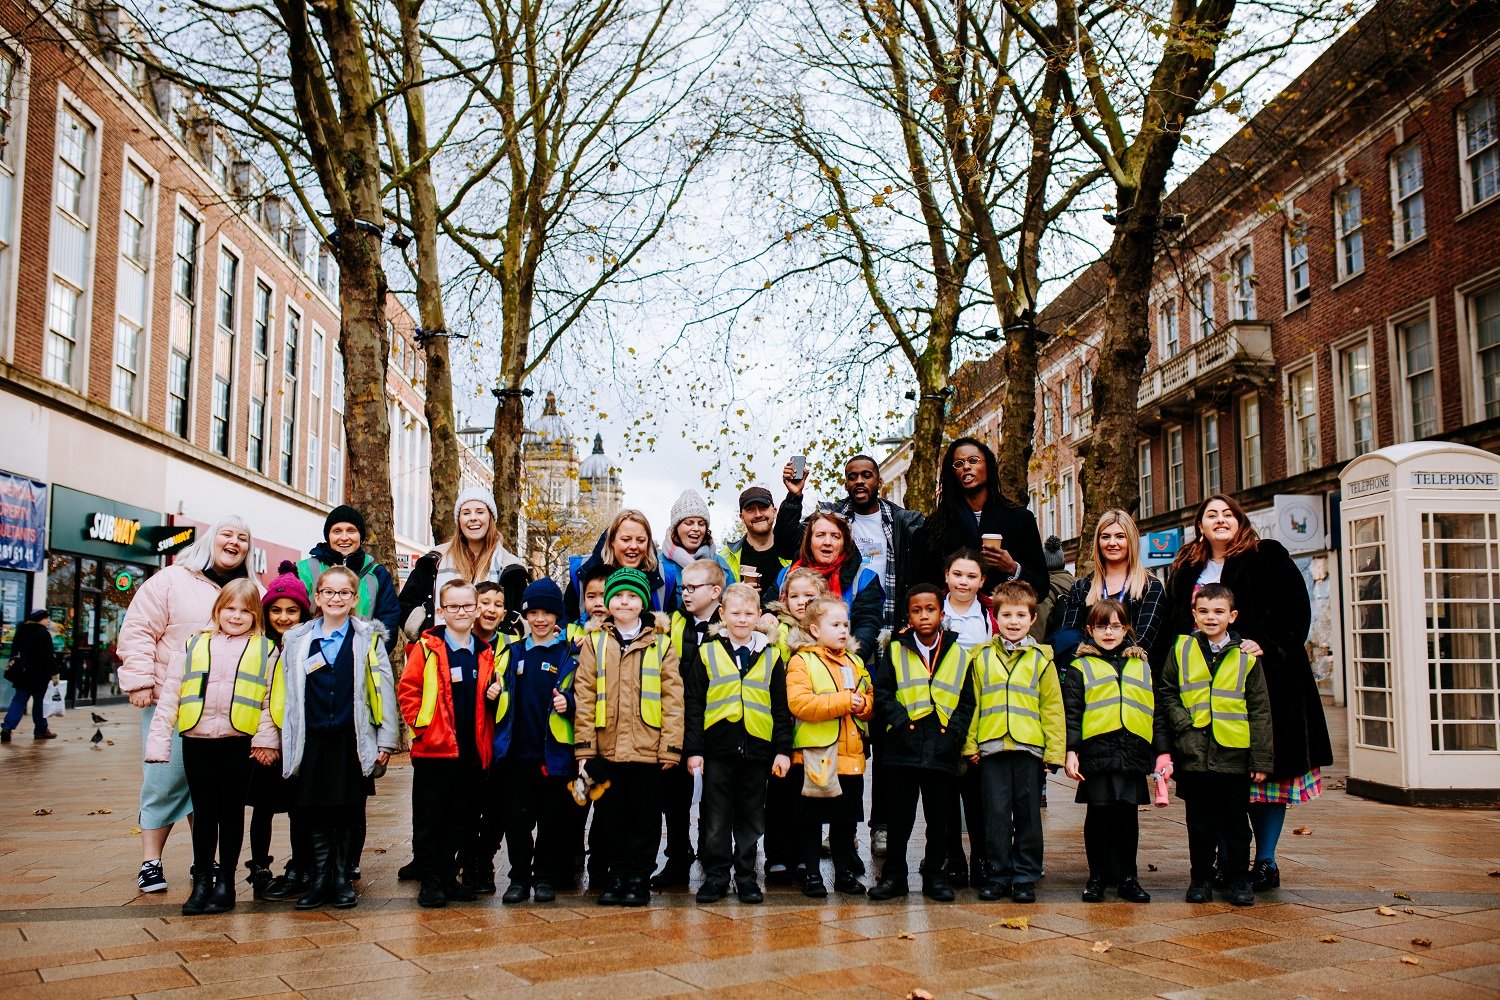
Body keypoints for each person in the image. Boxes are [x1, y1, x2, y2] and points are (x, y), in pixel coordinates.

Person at [1157, 494, 1331, 893]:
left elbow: (1295, 611)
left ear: (1240, 519)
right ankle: (1223, 861)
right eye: (1210, 515)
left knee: (1266, 777)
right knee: (1215, 780)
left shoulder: (1266, 554)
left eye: (1227, 513)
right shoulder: (1186, 567)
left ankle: (1265, 860)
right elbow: (1174, 624)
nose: (1219, 520)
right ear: (1199, 525)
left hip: (1268, 683)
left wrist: (1265, 643)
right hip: (1203, 687)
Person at [118, 515, 256, 895]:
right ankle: (151, 863)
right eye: (226, 534)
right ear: (211, 538)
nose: (234, 542)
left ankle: (204, 861)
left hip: (226, 712)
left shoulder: (249, 589)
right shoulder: (171, 580)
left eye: (242, 537)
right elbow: (139, 628)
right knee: (163, 781)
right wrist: (140, 680)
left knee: (208, 789)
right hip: (171, 700)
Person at [146, 579, 279, 915]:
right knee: (204, 813)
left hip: (239, 743)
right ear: (218, 610)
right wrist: (159, 743)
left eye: (245, 611)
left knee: (232, 814)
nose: (236, 616)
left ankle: (226, 885)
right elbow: (171, 695)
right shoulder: (193, 645)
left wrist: (266, 740)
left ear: (255, 616)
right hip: (197, 741)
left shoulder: (265, 650)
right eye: (229, 609)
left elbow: (268, 701)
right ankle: (203, 879)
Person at [274, 565, 399, 910]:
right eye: (328, 592)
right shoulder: (298, 639)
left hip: (350, 737)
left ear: (355, 599)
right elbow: (285, 693)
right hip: (311, 738)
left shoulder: (368, 638)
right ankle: (319, 879)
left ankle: (342, 877)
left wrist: (386, 740)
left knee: (347, 810)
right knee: (312, 809)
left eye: (344, 593)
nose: (335, 598)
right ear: (317, 597)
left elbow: (383, 689)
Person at [573, 567, 684, 907]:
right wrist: (585, 747)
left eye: (632, 596)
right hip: (607, 749)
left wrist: (670, 748)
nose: (625, 601)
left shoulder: (661, 644)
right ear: (607, 602)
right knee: (610, 818)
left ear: (643, 602)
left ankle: (638, 877)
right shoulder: (595, 643)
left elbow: (673, 699)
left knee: (646, 818)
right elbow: (585, 695)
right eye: (618, 596)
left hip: (647, 750)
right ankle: (615, 875)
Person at [1160, 583, 1274, 907]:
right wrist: (1183, 723)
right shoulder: (1181, 649)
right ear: (1194, 614)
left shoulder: (1247, 657)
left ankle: (1240, 878)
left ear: (1232, 616)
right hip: (1194, 753)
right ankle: (1201, 879)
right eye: (1204, 611)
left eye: (1219, 611)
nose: (1211, 618)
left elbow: (1260, 709)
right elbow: (1167, 690)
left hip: (1233, 755)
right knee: (1199, 824)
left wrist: (1261, 760)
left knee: (1237, 823)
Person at [684, 583, 793, 904]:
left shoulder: (771, 656)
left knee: (750, 817)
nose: (742, 619)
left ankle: (746, 876)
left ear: (759, 616)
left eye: (749, 613)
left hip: (758, 751)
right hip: (717, 751)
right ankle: (716, 876)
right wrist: (694, 751)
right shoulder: (708, 652)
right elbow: (694, 704)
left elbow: (780, 706)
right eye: (735, 613)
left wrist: (782, 750)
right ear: (722, 614)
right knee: (715, 818)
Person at [869, 583, 974, 902]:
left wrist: (953, 733)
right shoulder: (896, 650)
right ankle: (894, 876)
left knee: (939, 820)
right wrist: (901, 723)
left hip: (942, 747)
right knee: (900, 819)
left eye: (930, 610)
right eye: (917, 610)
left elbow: (967, 701)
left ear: (942, 614)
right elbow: (883, 692)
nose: (924, 616)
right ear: (909, 616)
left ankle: (935, 877)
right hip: (903, 747)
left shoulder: (958, 653)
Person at [963, 581, 1064, 904]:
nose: (1014, 621)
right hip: (991, 748)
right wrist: (969, 745)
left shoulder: (1041, 659)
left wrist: (1053, 751)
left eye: (1021, 615)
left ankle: (1025, 875)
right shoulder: (981, 657)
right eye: (1007, 615)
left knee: (1027, 817)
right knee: (995, 816)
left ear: (1032, 618)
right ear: (996, 617)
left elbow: (1052, 707)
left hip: (1028, 749)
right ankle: (998, 874)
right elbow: (973, 702)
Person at [1062, 600, 1169, 904]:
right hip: (1096, 752)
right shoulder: (1080, 666)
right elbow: (1071, 712)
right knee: (1097, 815)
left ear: (1126, 628)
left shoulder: (1142, 664)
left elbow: (1155, 710)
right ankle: (1096, 877)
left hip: (1132, 751)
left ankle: (1128, 877)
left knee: (1127, 816)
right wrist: (1071, 751)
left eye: (1115, 626)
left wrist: (1162, 752)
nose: (1108, 632)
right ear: (1090, 629)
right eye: (1101, 626)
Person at [400, 580, 498, 909]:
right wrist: (423, 729)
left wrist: (495, 695)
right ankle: (430, 881)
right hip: (435, 751)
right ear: (441, 611)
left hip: (470, 751)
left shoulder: (485, 652)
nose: (461, 612)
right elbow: (409, 691)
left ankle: (447, 876)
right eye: (453, 607)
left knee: (461, 818)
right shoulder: (428, 647)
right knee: (431, 819)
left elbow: (489, 698)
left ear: (477, 609)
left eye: (468, 606)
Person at [487, 578, 576, 905]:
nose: (540, 619)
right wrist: (492, 694)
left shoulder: (569, 654)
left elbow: (583, 695)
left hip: (553, 754)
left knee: (552, 821)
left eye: (547, 613)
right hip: (517, 754)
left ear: (557, 616)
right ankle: (519, 877)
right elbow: (494, 693)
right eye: (533, 612)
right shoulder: (512, 653)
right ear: (524, 614)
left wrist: (571, 702)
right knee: (517, 820)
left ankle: (545, 877)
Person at [786, 597, 874, 899]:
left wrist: (864, 706)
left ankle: (844, 872)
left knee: (845, 820)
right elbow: (800, 703)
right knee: (811, 819)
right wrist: (844, 702)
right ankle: (812, 873)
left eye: (845, 624)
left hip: (850, 755)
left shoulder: (855, 662)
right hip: (815, 755)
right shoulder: (802, 660)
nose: (842, 630)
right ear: (814, 629)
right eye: (834, 624)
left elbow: (868, 694)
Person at [775, 455, 924, 630]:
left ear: (879, 481)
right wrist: (794, 496)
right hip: (839, 626)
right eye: (852, 477)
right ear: (846, 486)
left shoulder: (903, 521)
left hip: (892, 623)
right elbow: (786, 546)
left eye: (866, 475)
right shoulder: (829, 517)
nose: (859, 481)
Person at [655, 559, 725, 889]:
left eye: (693, 587)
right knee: (675, 799)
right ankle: (677, 859)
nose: (685, 593)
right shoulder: (673, 624)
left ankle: (716, 863)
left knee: (715, 799)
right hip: (680, 724)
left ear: (715, 592)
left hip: (718, 725)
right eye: (683, 587)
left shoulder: (729, 624)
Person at [762, 567, 833, 882]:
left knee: (811, 793)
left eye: (810, 596)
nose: (802, 602)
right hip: (781, 724)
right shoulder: (774, 631)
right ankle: (777, 856)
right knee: (779, 792)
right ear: (783, 599)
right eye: (795, 596)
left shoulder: (827, 633)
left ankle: (807, 856)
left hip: (815, 726)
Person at [249, 564, 313, 901]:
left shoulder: (308, 645)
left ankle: (299, 867)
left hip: (299, 742)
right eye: (276, 610)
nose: (284, 617)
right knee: (262, 807)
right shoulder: (260, 647)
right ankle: (259, 866)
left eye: (292, 610)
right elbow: (257, 696)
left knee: (299, 808)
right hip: (268, 743)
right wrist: (265, 739)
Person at [921, 438, 1049, 599]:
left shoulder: (1020, 519)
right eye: (958, 464)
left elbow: (1042, 588)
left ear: (988, 465)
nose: (966, 466)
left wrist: (1012, 568)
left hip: (1003, 620)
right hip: (954, 620)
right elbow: (924, 586)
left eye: (973, 460)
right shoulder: (935, 525)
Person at [939, 549, 996, 889]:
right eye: (957, 574)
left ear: (982, 581)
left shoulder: (990, 615)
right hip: (943, 716)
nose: (964, 581)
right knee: (945, 797)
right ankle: (953, 861)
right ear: (947, 575)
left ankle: (982, 861)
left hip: (981, 715)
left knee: (979, 798)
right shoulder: (934, 610)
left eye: (971, 576)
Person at [400, 487, 530, 636]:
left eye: (480, 512)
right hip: (438, 652)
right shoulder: (435, 561)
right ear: (459, 520)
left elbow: (523, 613)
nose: (473, 517)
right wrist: (426, 629)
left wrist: (507, 639)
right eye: (466, 513)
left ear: (490, 518)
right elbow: (406, 603)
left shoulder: (511, 568)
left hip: (491, 655)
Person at [1054, 511, 1164, 665]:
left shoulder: (1150, 587)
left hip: (1133, 677)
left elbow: (1143, 641)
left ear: (1131, 541)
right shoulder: (1081, 587)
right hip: (1090, 678)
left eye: (1120, 536)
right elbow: (1068, 638)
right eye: (1105, 537)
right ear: (1098, 542)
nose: (1112, 543)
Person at [775, 511, 883, 661]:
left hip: (847, 665)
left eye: (835, 536)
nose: (827, 542)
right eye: (820, 535)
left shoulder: (864, 578)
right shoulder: (786, 575)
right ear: (809, 541)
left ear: (844, 542)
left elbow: (867, 626)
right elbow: (769, 609)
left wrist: (848, 661)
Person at [295, 505, 401, 650]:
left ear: (361, 536)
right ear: (328, 536)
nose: (344, 537)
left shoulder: (378, 574)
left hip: (361, 661)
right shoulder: (302, 570)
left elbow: (389, 624)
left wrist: (367, 658)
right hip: (311, 659)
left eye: (351, 531)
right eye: (337, 531)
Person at [565, 510, 679, 622]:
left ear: (648, 543)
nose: (634, 546)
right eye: (626, 540)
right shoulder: (582, 572)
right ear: (612, 541)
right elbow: (566, 621)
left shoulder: (665, 576)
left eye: (641, 540)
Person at [719, 486, 790, 604]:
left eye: (763, 508)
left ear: (774, 511)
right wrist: (735, 594)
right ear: (741, 517)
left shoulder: (793, 552)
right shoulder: (724, 558)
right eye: (750, 509)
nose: (758, 514)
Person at [2, 609, 58, 742]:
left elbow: (14, 652)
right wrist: (54, 673)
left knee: (18, 701)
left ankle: (7, 727)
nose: (48, 621)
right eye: (46, 618)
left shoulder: (21, 631)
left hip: (22, 674)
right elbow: (48, 656)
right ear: (40, 619)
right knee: (40, 703)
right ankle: (41, 730)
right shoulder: (43, 633)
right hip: (39, 675)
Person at [662, 489, 734, 579]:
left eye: (701, 524)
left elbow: (730, 592)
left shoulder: (719, 563)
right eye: (689, 523)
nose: (696, 529)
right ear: (676, 528)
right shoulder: (659, 564)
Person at [1033, 536, 1076, 642]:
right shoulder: (1079, 585)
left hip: (1054, 649)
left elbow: (1038, 631)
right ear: (1063, 562)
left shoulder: (1043, 591)